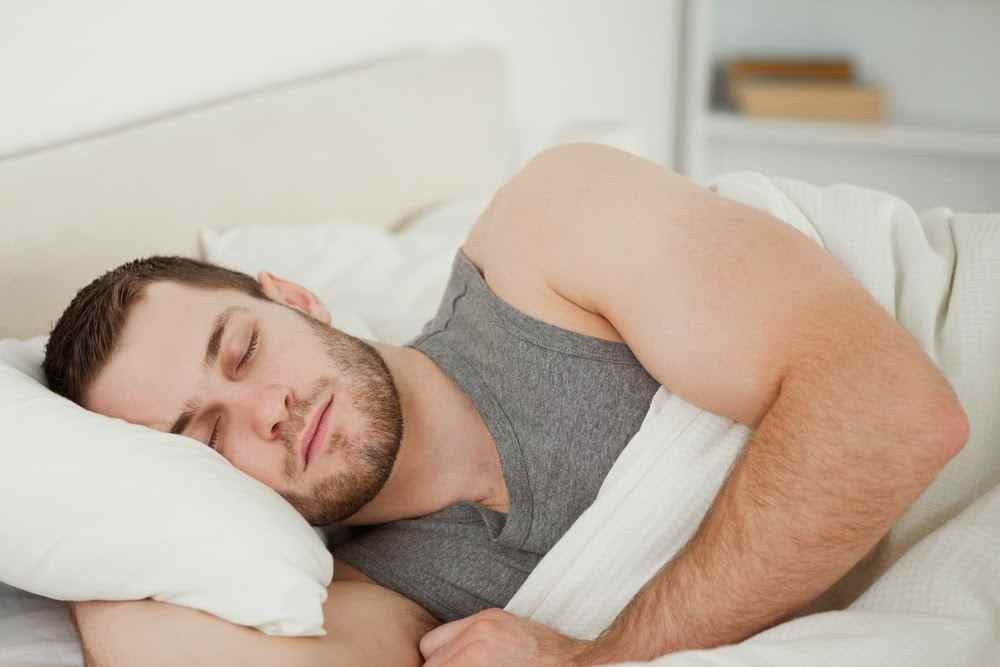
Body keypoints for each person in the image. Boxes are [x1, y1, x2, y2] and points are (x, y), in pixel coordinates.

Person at [44, 143, 968, 667]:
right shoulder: (384, 601)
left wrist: (596, 659)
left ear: (294, 298)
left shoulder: (547, 234)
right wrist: (80, 500)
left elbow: (893, 410)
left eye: (242, 350)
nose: (267, 410)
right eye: (205, 437)